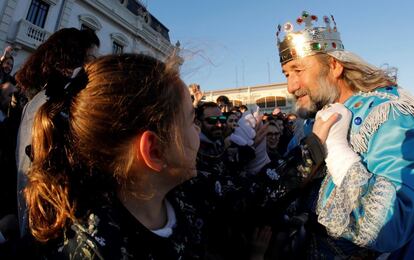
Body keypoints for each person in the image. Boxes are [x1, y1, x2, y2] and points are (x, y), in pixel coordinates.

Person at [23, 53, 336, 259]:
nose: (198, 128)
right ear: (155, 151)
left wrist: (314, 144)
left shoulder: (183, 192)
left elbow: (252, 197)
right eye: (190, 120)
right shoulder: (98, 247)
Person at [277, 10, 414, 257]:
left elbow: (395, 227)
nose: (291, 86)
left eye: (298, 70)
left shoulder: (386, 115)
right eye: (287, 74)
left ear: (334, 66)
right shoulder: (308, 123)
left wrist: (339, 154)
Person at [15, 28, 100, 237]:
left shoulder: (41, 100)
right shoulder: (54, 106)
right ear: (72, 58)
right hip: (48, 228)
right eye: (90, 58)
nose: (94, 66)